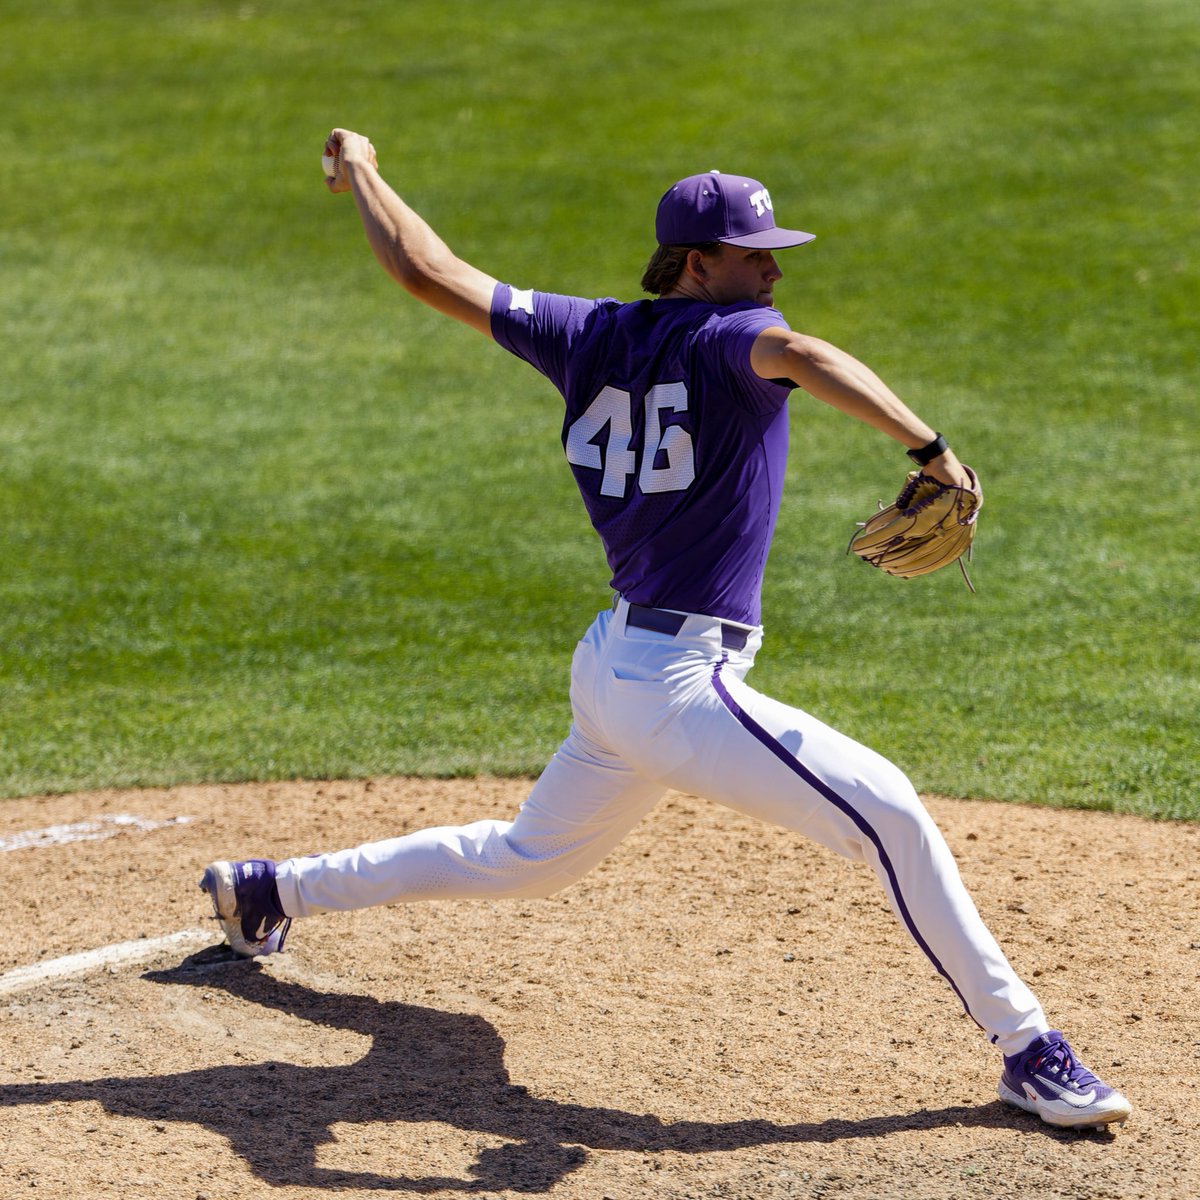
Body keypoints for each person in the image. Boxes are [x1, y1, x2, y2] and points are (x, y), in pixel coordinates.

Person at [200, 130, 1130, 1131]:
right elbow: (804, 356)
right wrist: (930, 448)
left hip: (616, 668)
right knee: (891, 815)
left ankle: (271, 890)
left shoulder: (584, 332)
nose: (774, 271)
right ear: (697, 262)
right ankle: (1028, 1049)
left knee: (529, 857)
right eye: (754, 252)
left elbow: (427, 270)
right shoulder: (736, 337)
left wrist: (364, 173)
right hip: (680, 687)